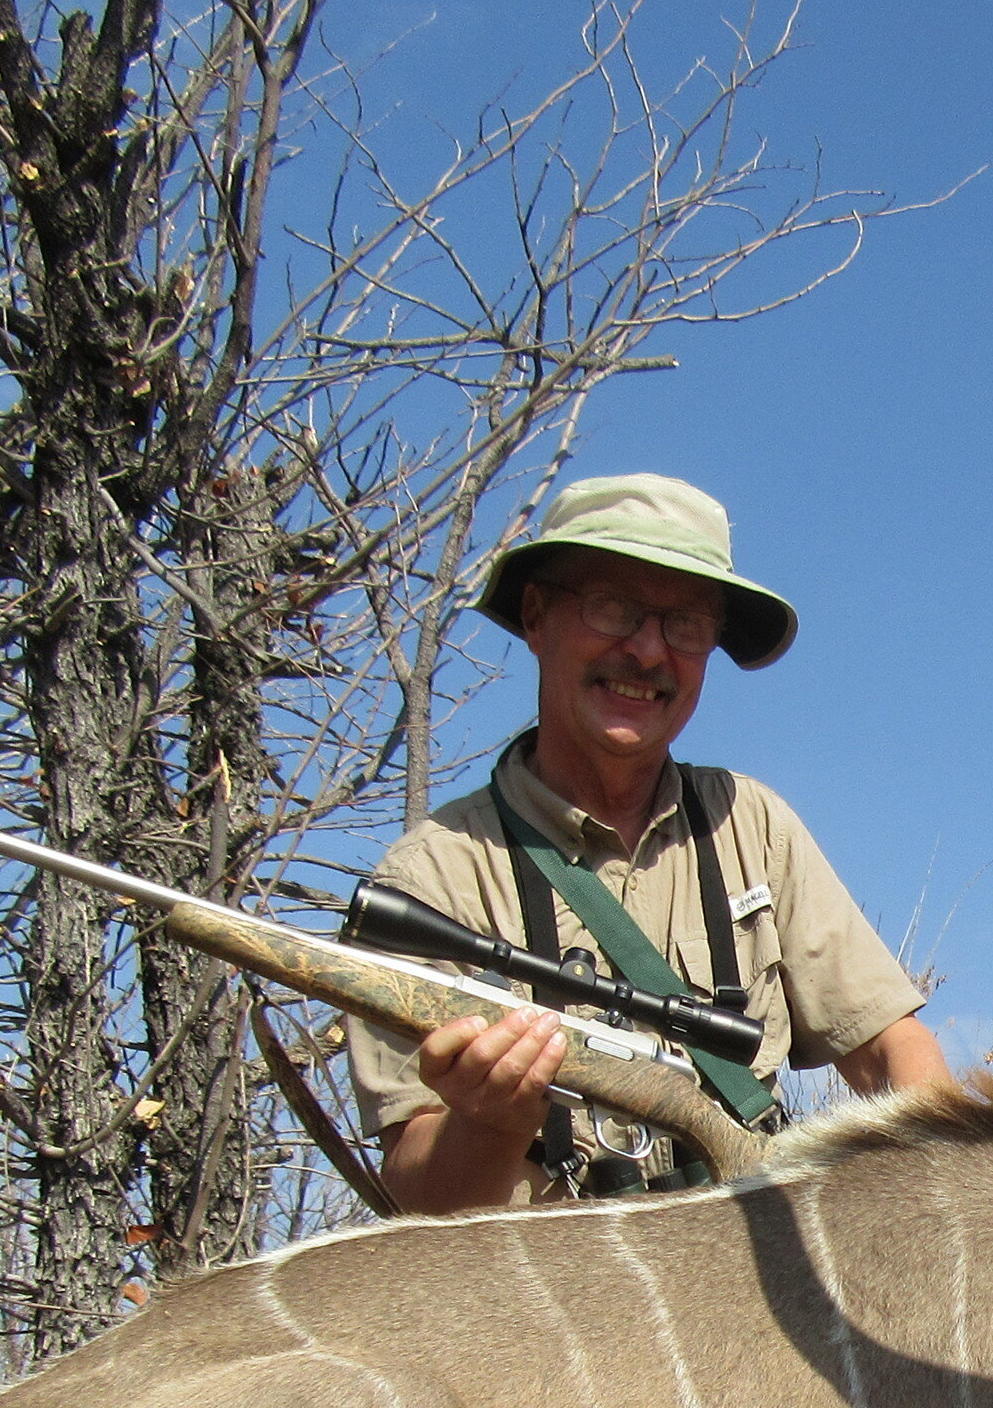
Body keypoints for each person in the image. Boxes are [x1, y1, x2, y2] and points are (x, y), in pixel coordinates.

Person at [348, 473, 951, 1214]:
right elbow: (423, 1197)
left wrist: (956, 1193)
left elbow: (891, 1049)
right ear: (535, 616)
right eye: (612, 607)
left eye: (687, 623)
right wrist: (489, 1126)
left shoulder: (750, 823)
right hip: (547, 1296)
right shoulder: (428, 878)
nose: (646, 651)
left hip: (745, 1263)